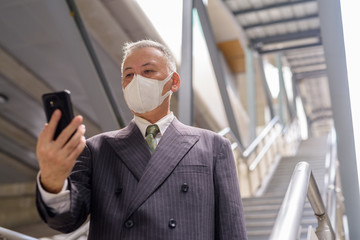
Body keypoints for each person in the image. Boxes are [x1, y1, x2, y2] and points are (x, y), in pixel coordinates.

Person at [35, 39, 248, 240]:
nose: (137, 81)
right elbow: (67, 222)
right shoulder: (95, 149)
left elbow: (231, 228)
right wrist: (53, 182)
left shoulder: (213, 146)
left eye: (148, 71)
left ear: (173, 82)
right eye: (129, 75)